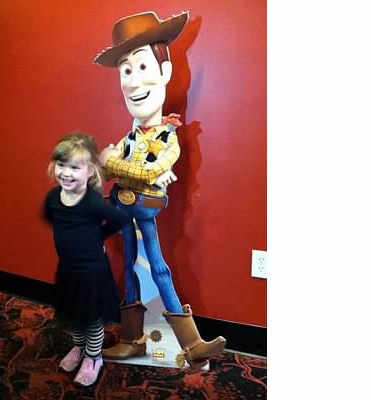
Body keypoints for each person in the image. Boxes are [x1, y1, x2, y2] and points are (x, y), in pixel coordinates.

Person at [94, 11, 226, 369]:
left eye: (141, 66)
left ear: (164, 72)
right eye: (126, 70)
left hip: (144, 209)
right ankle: (132, 340)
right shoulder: (129, 138)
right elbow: (108, 170)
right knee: (129, 270)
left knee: (159, 268)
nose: (133, 82)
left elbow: (148, 170)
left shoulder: (168, 137)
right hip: (121, 210)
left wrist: (114, 162)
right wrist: (112, 165)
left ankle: (192, 344)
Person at [43, 132, 129, 386]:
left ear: (90, 171)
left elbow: (120, 219)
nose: (66, 173)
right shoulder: (53, 198)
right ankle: (78, 347)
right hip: (68, 270)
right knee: (74, 313)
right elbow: (51, 218)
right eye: (61, 165)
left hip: (92, 273)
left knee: (92, 317)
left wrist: (98, 237)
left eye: (74, 167)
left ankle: (94, 357)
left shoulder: (93, 202)